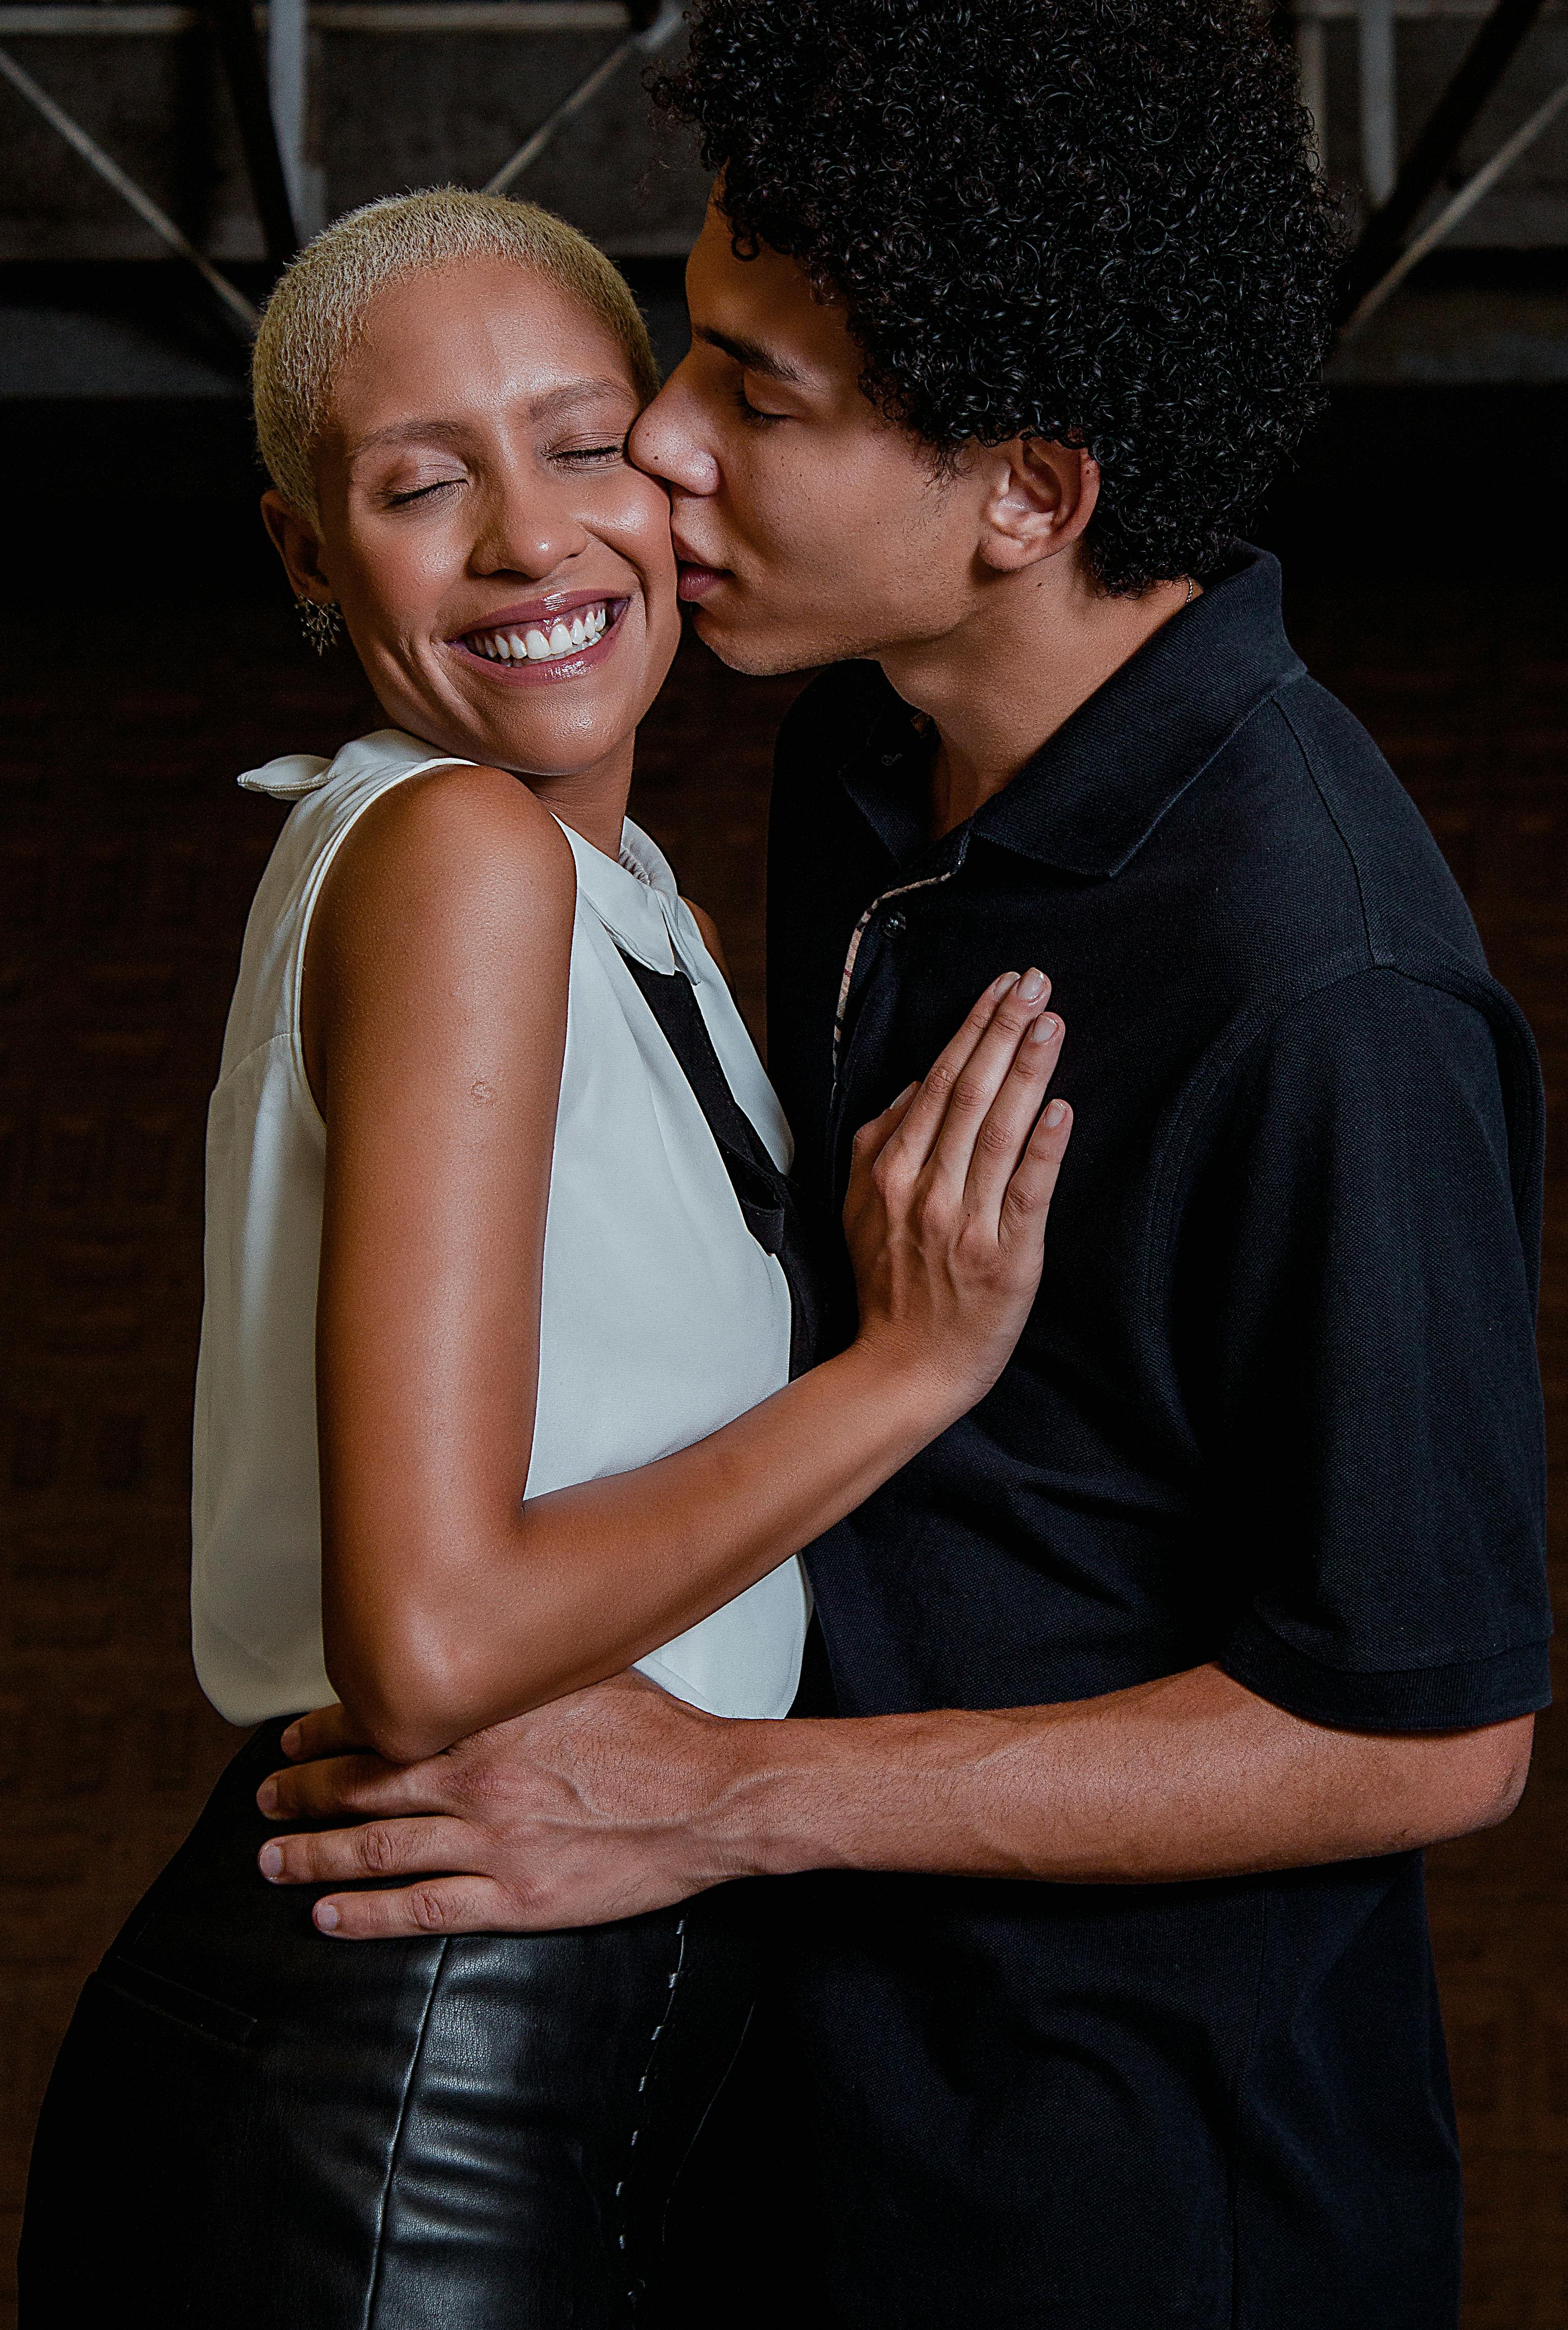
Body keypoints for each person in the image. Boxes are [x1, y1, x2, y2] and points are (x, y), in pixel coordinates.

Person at [249, 0, 1554, 2328]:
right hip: (794, 2070)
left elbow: (1424, 1731)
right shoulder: (868, 745)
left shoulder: (1325, 986)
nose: (658, 440)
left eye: (751, 391)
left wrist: (724, 1798)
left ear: (1024, 496)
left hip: (1122, 2192)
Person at [17, 185, 1074, 2328]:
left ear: (669, 460)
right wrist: (904, 1372)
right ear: (311, 556)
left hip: (546, 2059)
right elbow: (423, 1640)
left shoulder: (633, 900)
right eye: (422, 484)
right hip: (399, 2097)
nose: (526, 541)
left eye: (578, 443)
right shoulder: (454, 852)